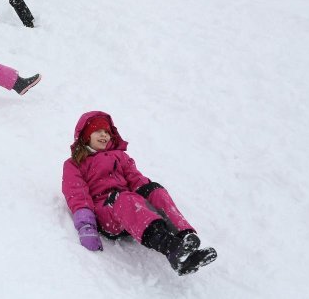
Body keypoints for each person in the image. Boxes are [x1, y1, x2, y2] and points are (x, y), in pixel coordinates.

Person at [62, 111, 217, 275]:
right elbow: (78, 197)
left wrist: (151, 191)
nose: (104, 135)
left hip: (130, 207)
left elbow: (136, 180)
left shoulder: (120, 156)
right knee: (124, 198)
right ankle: (170, 247)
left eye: (107, 132)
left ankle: (185, 239)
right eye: (98, 131)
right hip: (107, 214)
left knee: (156, 191)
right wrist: (87, 227)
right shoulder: (74, 164)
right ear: (86, 135)